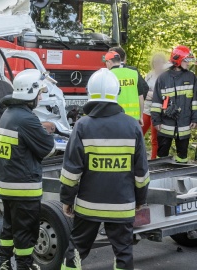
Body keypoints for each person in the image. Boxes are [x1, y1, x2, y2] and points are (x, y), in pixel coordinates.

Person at [60, 68, 150, 270]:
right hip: (122, 205)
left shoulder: (82, 125)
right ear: (116, 93)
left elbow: (71, 171)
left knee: (76, 251)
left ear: (89, 93)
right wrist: (141, 199)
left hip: (88, 206)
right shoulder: (133, 126)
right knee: (124, 252)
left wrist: (66, 199)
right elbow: (141, 173)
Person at [0, 69, 55, 270]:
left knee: (9, 230)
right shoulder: (26, 119)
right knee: (25, 233)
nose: (40, 96)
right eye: (39, 92)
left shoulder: (8, 114)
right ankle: (24, 266)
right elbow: (48, 148)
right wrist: (45, 134)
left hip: (7, 185)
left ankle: (4, 265)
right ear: (30, 93)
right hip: (23, 188)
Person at [151, 45, 197, 163]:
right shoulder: (163, 78)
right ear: (178, 60)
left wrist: (195, 118)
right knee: (162, 157)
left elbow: (195, 101)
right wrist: (156, 121)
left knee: (183, 157)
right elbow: (156, 101)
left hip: (184, 124)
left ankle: (180, 179)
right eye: (186, 60)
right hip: (165, 125)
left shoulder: (191, 77)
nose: (188, 63)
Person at [104, 51, 144, 123]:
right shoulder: (134, 73)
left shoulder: (108, 75)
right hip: (134, 119)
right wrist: (141, 116)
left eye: (106, 62)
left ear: (109, 62)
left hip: (116, 118)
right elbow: (141, 97)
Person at [143, 53, 168, 159]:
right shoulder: (149, 74)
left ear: (163, 63)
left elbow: (165, 95)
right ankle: (138, 157)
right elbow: (143, 91)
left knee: (155, 138)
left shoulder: (166, 77)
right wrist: (152, 94)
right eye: (155, 62)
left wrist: (153, 95)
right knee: (139, 133)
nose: (157, 64)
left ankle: (153, 160)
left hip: (158, 111)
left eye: (159, 62)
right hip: (146, 109)